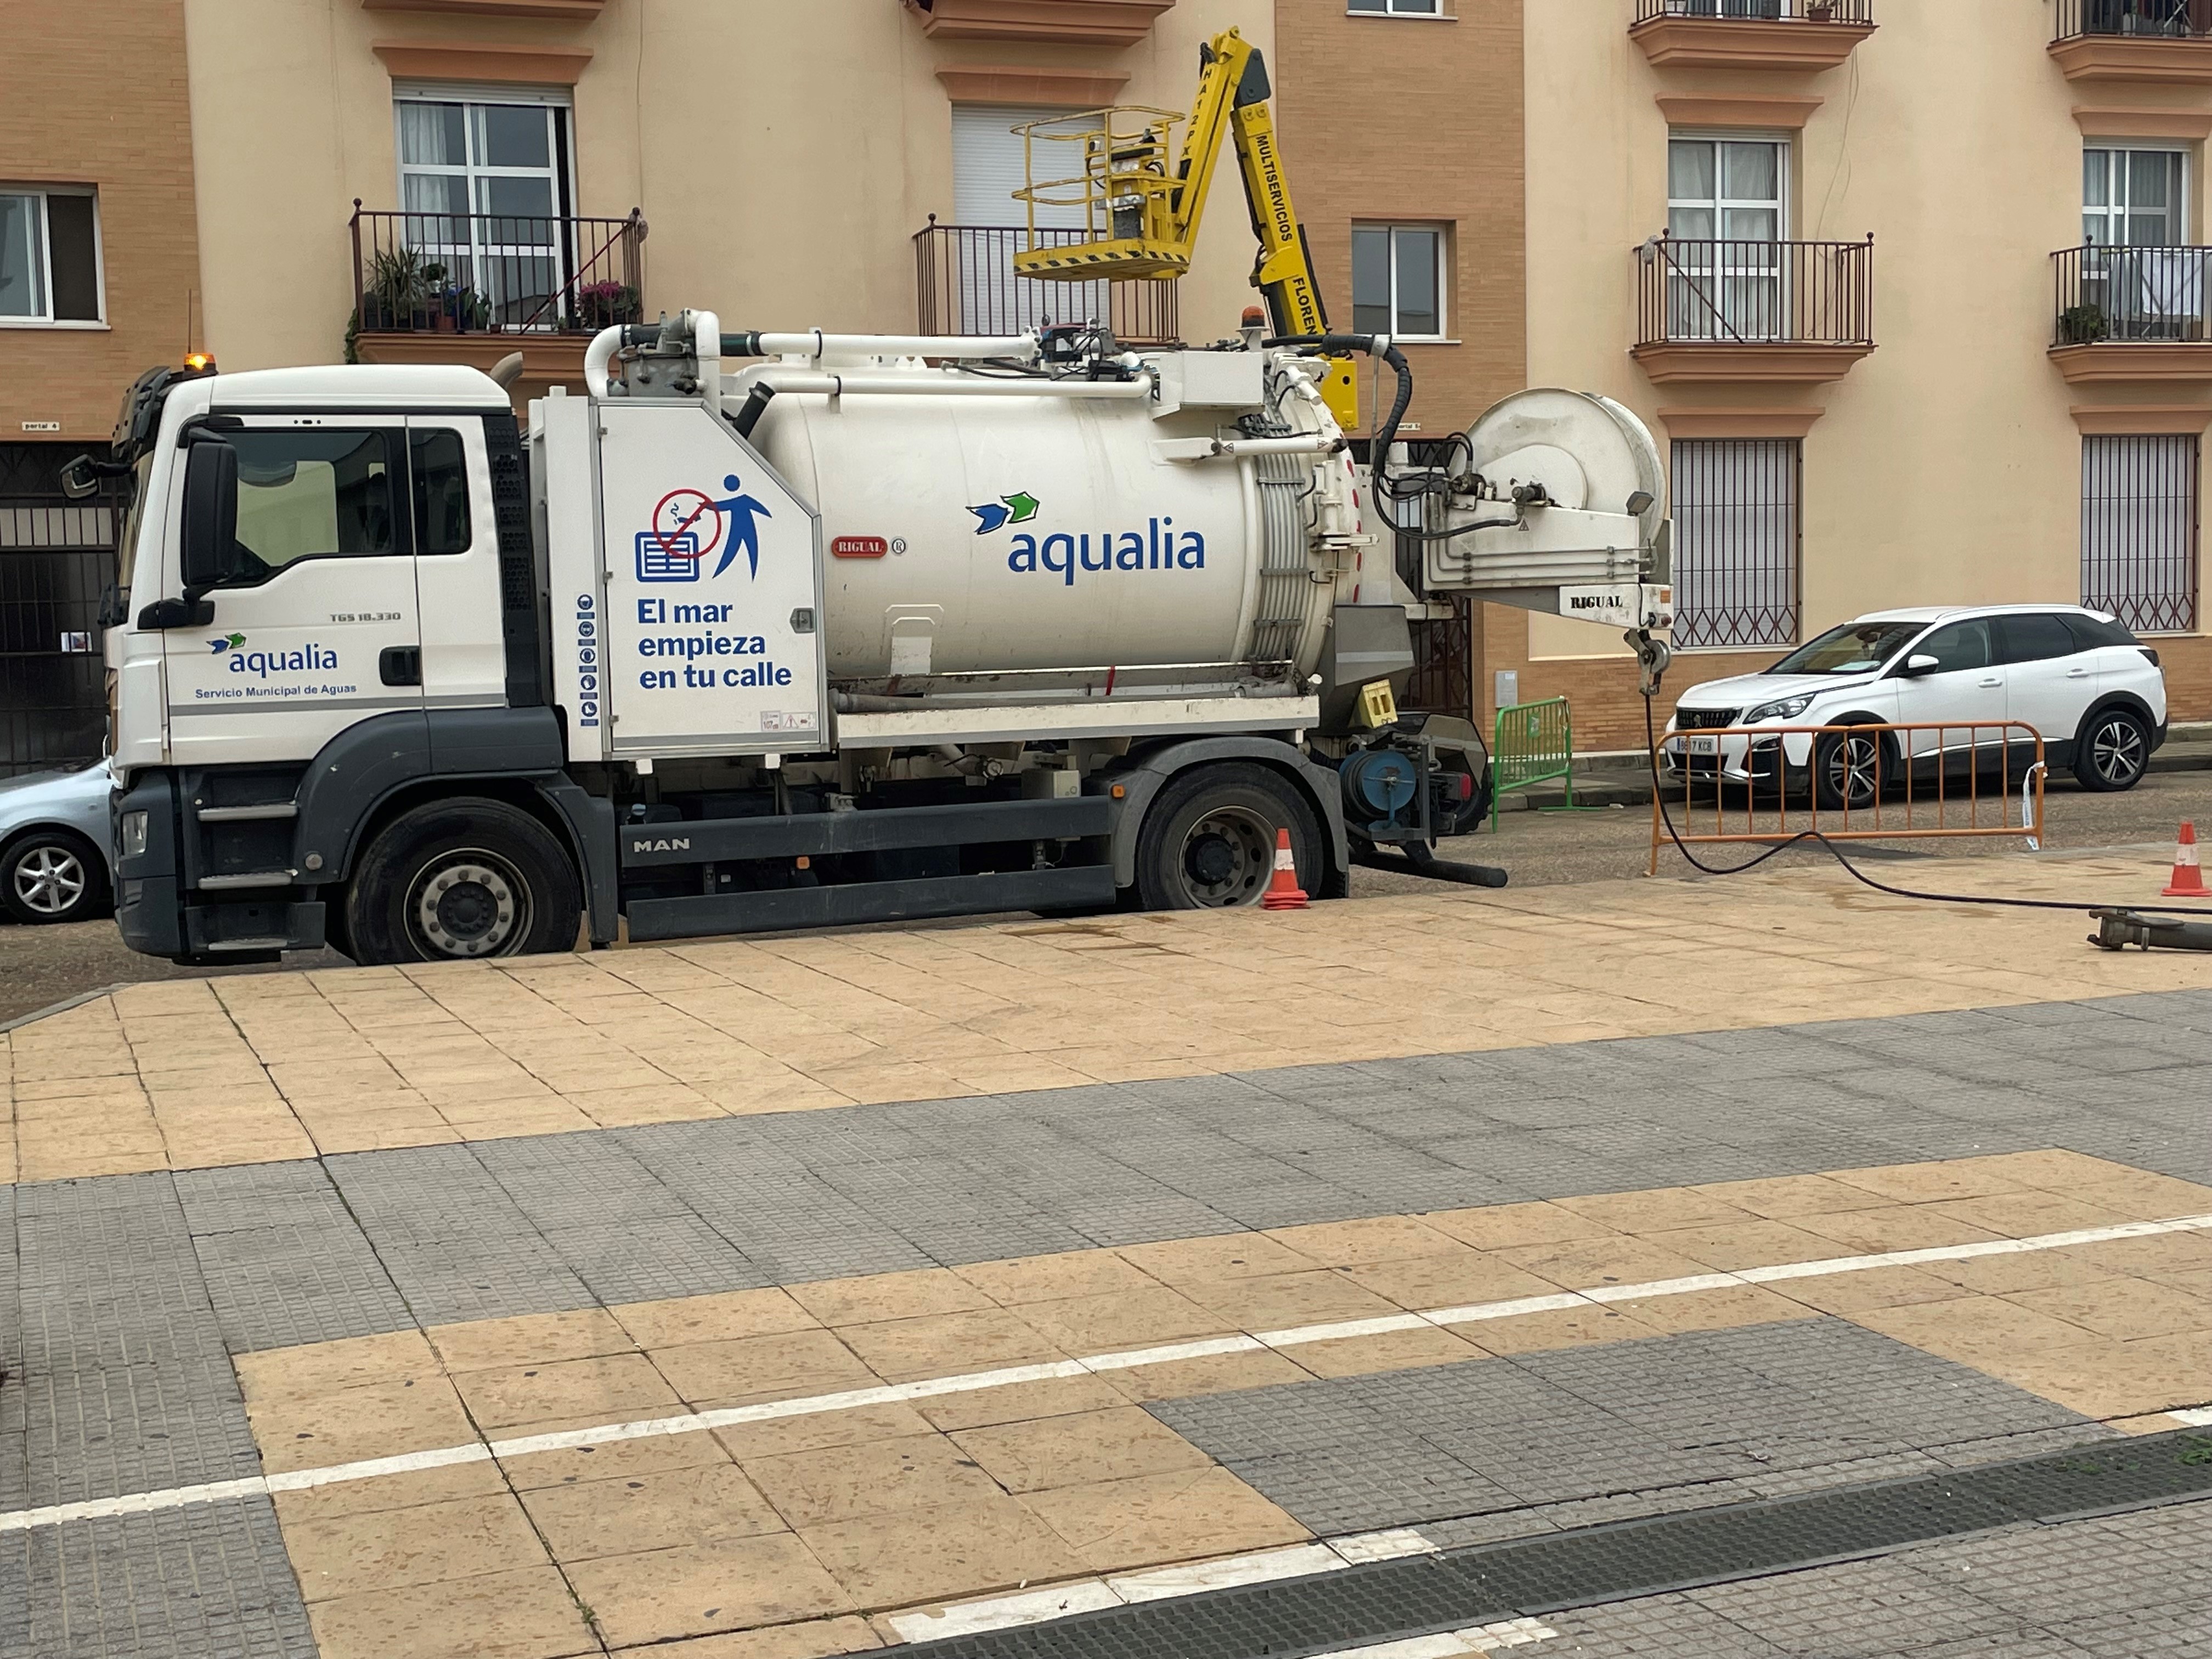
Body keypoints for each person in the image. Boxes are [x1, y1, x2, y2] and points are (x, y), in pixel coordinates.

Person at [709, 474, 772, 579]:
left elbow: (722, 506)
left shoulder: (742, 500)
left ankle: (751, 575)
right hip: (742, 528)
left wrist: (705, 505)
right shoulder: (744, 500)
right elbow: (762, 510)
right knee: (740, 551)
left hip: (743, 528)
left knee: (740, 551)